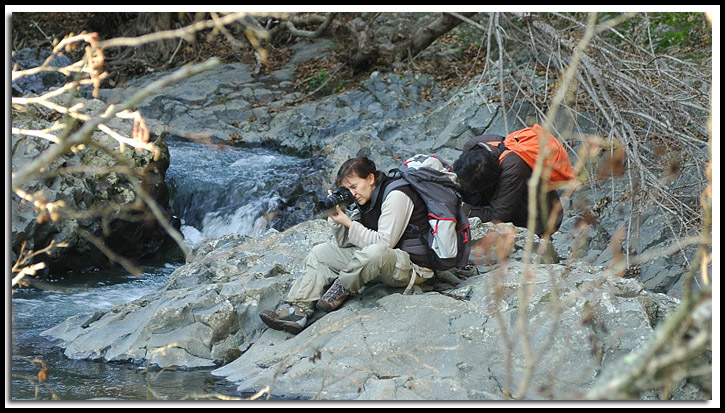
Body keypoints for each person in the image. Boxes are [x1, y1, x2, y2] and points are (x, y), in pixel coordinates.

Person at [260, 156, 434, 334]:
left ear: (371, 178)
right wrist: (337, 218)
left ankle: (343, 287)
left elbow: (385, 243)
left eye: (354, 186)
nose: (353, 193)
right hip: (377, 264)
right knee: (321, 253)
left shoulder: (397, 194)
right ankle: (297, 310)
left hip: (412, 266)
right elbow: (345, 243)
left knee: (376, 251)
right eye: (347, 189)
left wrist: (350, 224)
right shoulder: (365, 199)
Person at [453, 134, 564, 236]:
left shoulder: (513, 169)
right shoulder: (473, 146)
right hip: (505, 195)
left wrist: (464, 209)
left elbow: (498, 217)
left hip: (539, 218)